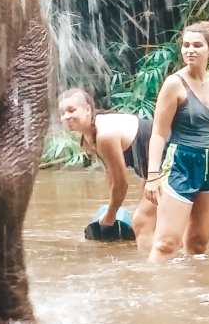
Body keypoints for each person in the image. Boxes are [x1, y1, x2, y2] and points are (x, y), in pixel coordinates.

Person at [143, 21, 209, 263]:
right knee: (165, 244)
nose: (190, 50)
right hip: (180, 162)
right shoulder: (174, 84)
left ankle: (192, 295)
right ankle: (153, 293)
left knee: (198, 243)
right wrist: (153, 176)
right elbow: (158, 133)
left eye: (197, 45)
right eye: (185, 45)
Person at [58, 87, 159, 252]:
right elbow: (111, 174)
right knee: (151, 221)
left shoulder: (105, 135)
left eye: (71, 110)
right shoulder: (87, 140)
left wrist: (111, 214)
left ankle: (152, 271)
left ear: (88, 110)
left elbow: (121, 184)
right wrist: (112, 206)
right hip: (149, 168)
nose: (66, 116)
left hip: (170, 159)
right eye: (62, 113)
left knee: (142, 222)